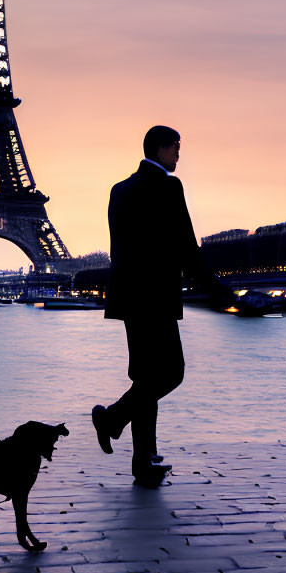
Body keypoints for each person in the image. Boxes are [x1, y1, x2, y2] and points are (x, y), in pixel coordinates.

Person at [91, 125, 233, 486]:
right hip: (156, 297)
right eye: (176, 147)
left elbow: (119, 248)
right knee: (172, 373)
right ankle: (111, 419)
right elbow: (187, 246)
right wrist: (215, 289)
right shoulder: (169, 186)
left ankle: (143, 463)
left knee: (146, 377)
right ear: (159, 148)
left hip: (129, 297)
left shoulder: (119, 190)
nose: (178, 155)